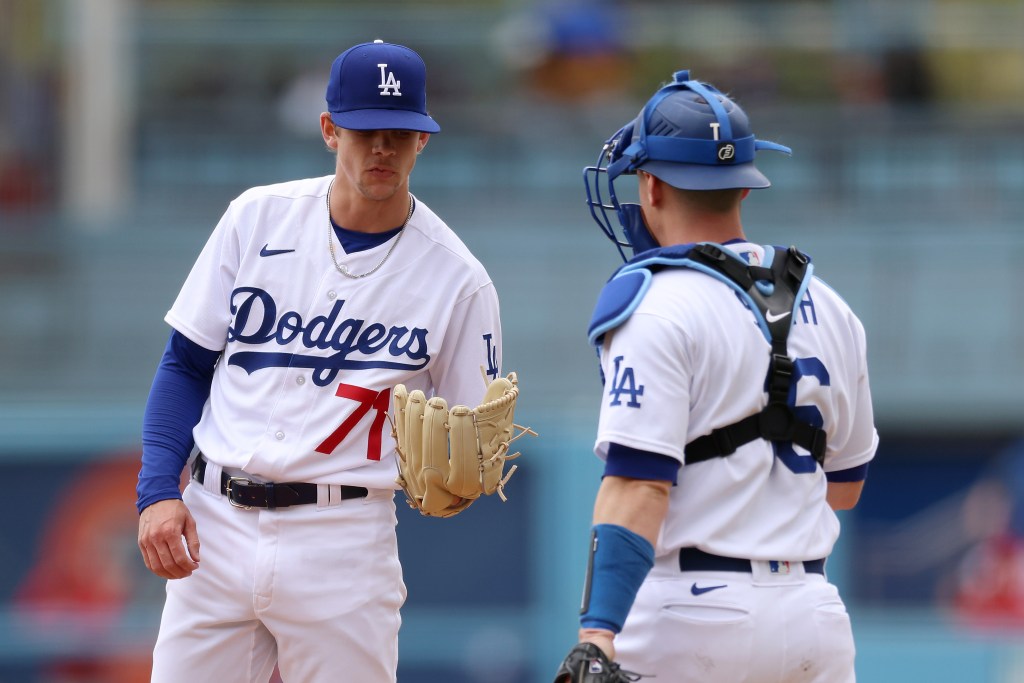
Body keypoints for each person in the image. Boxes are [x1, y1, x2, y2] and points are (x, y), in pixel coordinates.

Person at [136, 40, 504, 682]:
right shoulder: (256, 218)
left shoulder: (459, 279)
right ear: (331, 130)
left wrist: (461, 477)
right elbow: (185, 364)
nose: (383, 148)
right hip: (215, 525)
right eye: (366, 130)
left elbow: (473, 436)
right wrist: (154, 493)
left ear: (424, 142)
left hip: (343, 535)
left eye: (400, 132)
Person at [552, 70, 878, 682]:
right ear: (744, 188)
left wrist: (597, 635)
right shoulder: (832, 305)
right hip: (814, 617)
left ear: (650, 186)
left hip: (690, 614)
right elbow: (847, 487)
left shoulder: (654, 302)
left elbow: (639, 487)